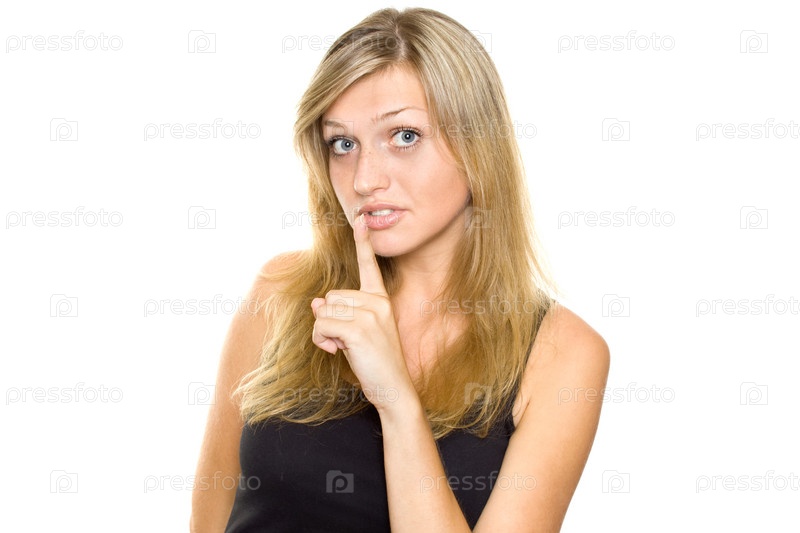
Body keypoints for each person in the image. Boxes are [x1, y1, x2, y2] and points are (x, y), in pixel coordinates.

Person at [191, 7, 609, 532]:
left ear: (478, 144)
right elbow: (209, 516)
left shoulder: (562, 353)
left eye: (404, 136)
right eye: (343, 144)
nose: (364, 179)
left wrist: (394, 398)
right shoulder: (281, 293)